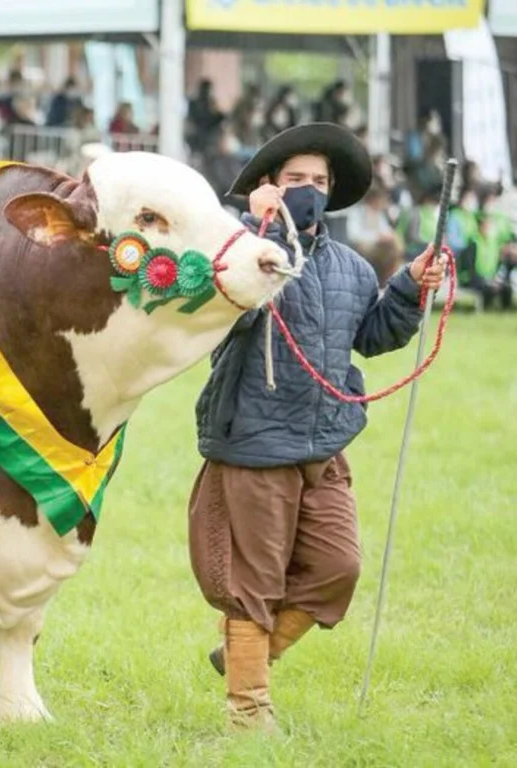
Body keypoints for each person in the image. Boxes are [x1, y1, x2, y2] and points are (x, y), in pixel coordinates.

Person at [190, 123, 445, 732]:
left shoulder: (352, 268)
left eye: (319, 181)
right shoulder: (233, 252)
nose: (309, 190)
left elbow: (371, 334)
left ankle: (244, 655)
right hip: (254, 442)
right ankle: (248, 714)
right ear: (268, 187)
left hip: (324, 444)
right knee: (254, 584)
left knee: (338, 568)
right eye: (295, 180)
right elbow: (217, 314)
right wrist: (261, 233)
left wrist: (409, 287)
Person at [345, 184, 403, 286]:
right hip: (361, 246)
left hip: (378, 247)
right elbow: (354, 235)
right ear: (374, 199)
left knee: (393, 243)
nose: (384, 202)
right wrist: (377, 237)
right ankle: (388, 281)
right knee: (390, 250)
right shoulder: (357, 212)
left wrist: (388, 235)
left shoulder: (379, 215)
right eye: (382, 199)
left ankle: (389, 281)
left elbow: (386, 231)